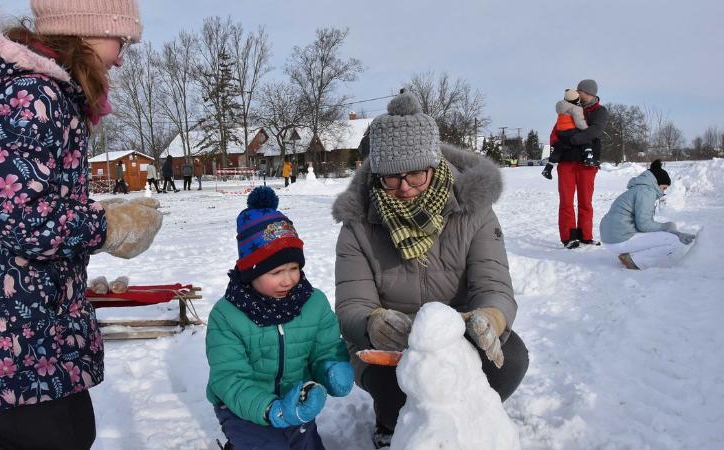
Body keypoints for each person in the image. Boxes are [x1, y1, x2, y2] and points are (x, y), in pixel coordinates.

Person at [0, 3, 163, 448]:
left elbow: (18, 199)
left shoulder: (37, 95)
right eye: (121, 41)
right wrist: (107, 226)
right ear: (85, 32)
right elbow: (23, 217)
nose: (122, 57)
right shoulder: (33, 97)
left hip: (20, 338)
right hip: (12, 348)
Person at [332, 91, 528, 449]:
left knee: (510, 359)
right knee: (392, 384)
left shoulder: (475, 212)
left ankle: (470, 419)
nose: (404, 188)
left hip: (461, 333)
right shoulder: (357, 224)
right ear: (376, 175)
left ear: (434, 165)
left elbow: (494, 284)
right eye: (390, 178)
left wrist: (490, 319)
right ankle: (392, 424)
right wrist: (372, 322)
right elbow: (351, 305)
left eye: (415, 175)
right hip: (393, 342)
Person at [206, 186, 353, 450]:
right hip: (242, 407)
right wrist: (271, 409)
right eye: (276, 272)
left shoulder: (313, 303)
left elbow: (326, 348)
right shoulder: (227, 316)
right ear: (251, 272)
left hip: (296, 402)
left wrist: (332, 368)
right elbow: (229, 379)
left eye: (294, 268)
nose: (288, 279)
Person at [599, 160, 696, 269]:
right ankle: (634, 260)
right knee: (671, 240)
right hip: (619, 239)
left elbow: (642, 225)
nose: (664, 192)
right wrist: (668, 227)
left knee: (666, 236)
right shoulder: (647, 192)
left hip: (612, 238)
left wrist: (671, 231)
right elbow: (644, 225)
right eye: (664, 188)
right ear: (657, 183)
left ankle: (630, 256)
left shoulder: (639, 189)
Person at [552, 79, 609, 249]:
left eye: (580, 91)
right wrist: (558, 146)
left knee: (585, 202)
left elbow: (595, 131)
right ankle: (569, 237)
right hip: (566, 163)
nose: (577, 93)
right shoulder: (567, 107)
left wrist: (573, 140)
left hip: (587, 163)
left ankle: (585, 236)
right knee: (566, 201)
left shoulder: (599, 111)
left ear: (589, 93)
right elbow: (556, 132)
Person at [542, 88, 589, 179]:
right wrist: (586, 129)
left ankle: (548, 168)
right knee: (584, 138)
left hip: (561, 133)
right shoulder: (575, 108)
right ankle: (588, 155)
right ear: (576, 100)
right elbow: (579, 122)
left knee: (559, 148)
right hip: (571, 131)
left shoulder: (560, 107)